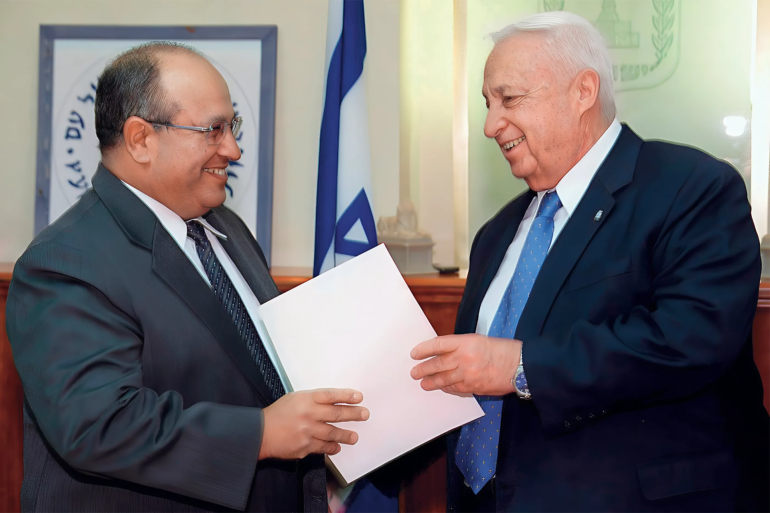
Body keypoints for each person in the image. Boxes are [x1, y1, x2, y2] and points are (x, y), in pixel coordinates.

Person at [410, 11, 770, 513]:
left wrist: (518, 365)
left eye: (509, 99)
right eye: (488, 104)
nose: (492, 125)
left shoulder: (692, 188)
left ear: (583, 91)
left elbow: (692, 337)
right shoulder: (495, 234)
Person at [7, 42, 369, 513]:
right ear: (140, 139)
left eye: (232, 127)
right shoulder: (64, 262)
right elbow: (100, 426)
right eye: (213, 130)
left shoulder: (226, 227)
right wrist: (263, 434)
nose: (233, 149)